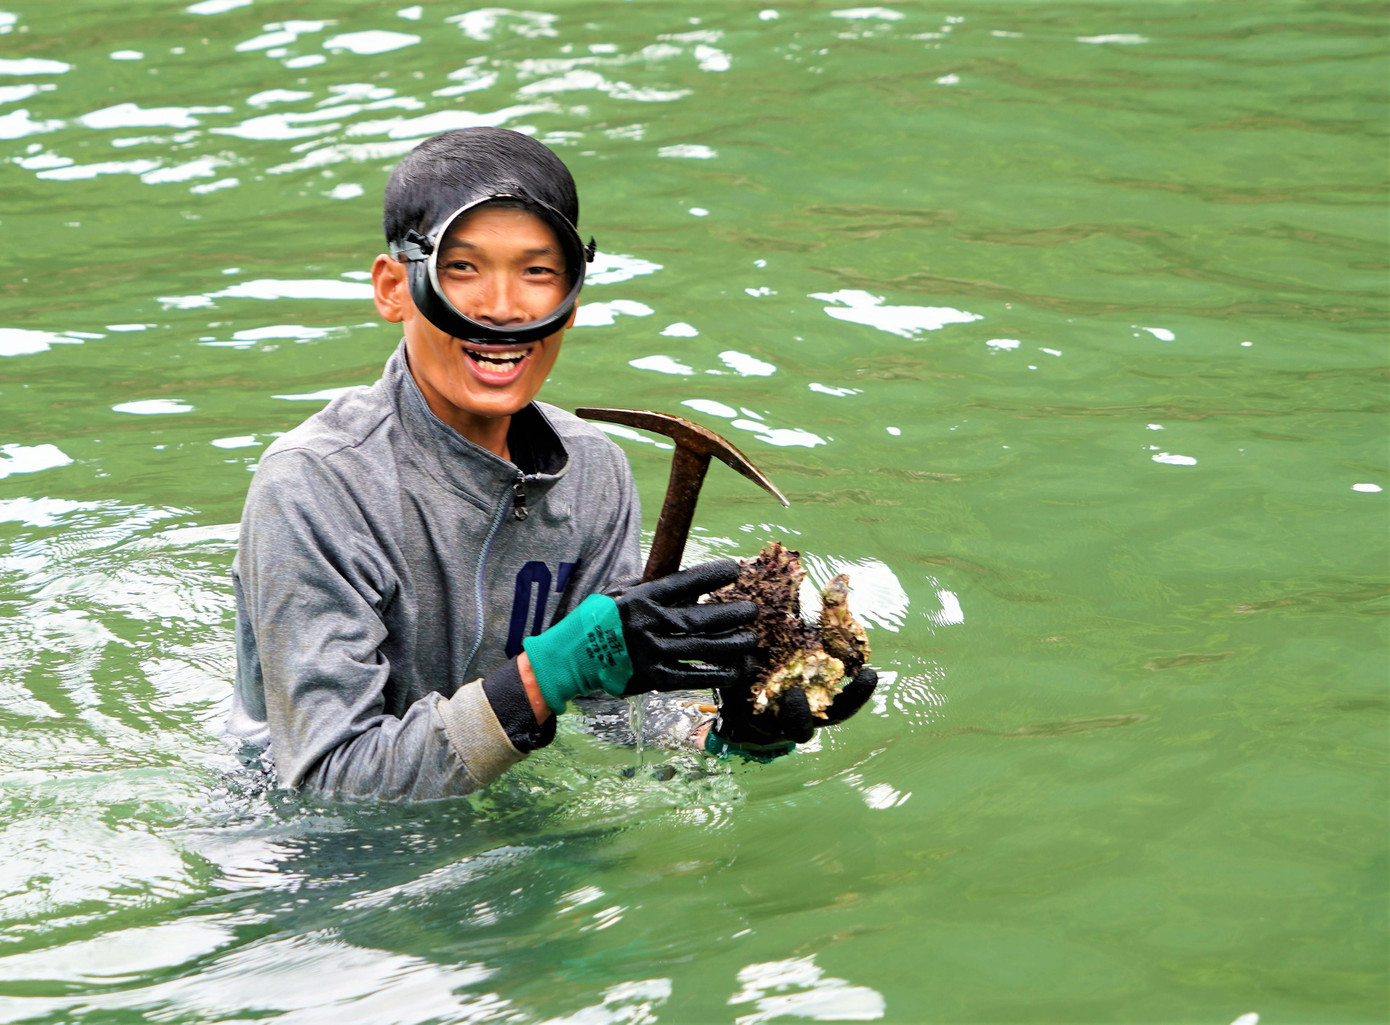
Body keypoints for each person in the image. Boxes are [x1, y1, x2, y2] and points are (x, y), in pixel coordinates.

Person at [227, 127, 876, 800]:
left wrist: (731, 731)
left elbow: (613, 715)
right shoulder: (313, 485)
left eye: (537, 271)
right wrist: (548, 671)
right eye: (463, 268)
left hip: (514, 824)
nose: (503, 308)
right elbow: (329, 781)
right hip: (303, 855)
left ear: (571, 302)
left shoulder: (594, 474)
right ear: (394, 287)